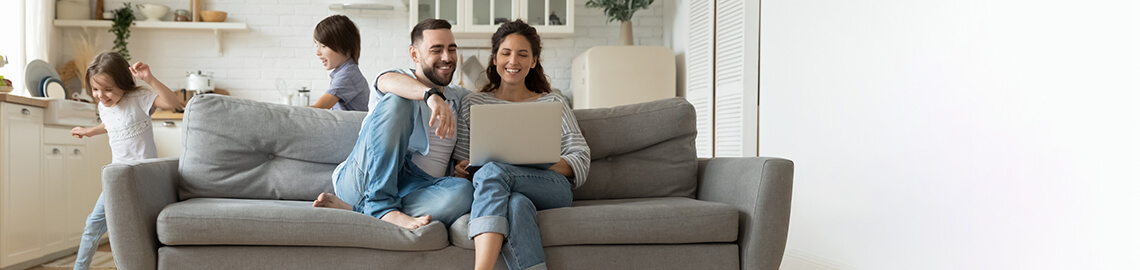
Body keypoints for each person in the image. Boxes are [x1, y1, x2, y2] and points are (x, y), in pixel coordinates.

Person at [452, 20, 590, 270]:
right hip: (500, 190)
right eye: (505, 53)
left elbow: (580, 158)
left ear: (534, 61)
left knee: (494, 170)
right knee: (516, 205)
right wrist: (461, 169)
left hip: (551, 187)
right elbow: (462, 162)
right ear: (495, 59)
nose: (513, 61)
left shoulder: (552, 102)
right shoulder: (473, 104)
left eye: (522, 54)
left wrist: (534, 160)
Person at [311, 19, 473, 230]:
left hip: (417, 186)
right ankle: (381, 205)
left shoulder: (460, 98)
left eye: (451, 49)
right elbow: (386, 81)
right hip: (364, 179)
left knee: (464, 192)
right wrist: (430, 95)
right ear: (415, 54)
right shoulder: (398, 79)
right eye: (437, 49)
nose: (447, 57)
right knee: (399, 98)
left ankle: (361, 210)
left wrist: (464, 166)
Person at [69, 52, 184, 270]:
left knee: (146, 227)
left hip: (144, 177)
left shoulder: (140, 99)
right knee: (93, 225)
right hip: (117, 177)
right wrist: (89, 131)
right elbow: (111, 124)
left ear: (123, 82)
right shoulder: (104, 106)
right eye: (95, 89)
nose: (101, 95)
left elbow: (172, 103)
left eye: (108, 89)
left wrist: (149, 79)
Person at [310, 15, 369, 111]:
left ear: (345, 46)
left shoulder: (347, 76)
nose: (317, 52)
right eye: (317, 45)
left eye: (323, 46)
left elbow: (317, 109)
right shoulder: (345, 73)